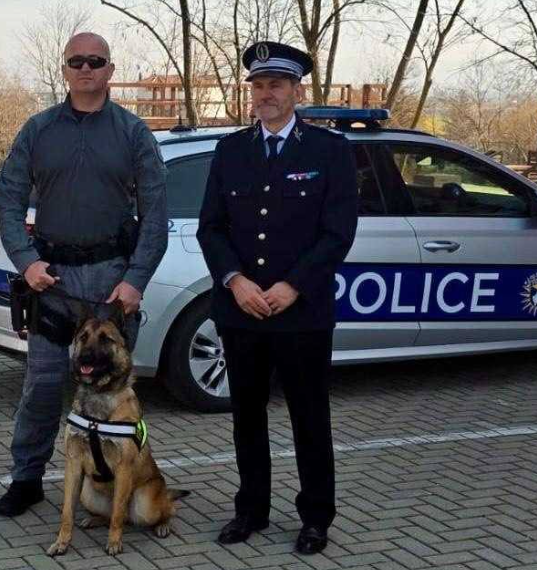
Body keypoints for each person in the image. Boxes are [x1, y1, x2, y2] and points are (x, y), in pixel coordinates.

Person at [0, 32, 167, 517]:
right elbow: (9, 199)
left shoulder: (134, 133)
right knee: (43, 385)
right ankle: (26, 478)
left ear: (110, 69)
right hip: (53, 283)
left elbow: (156, 215)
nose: (86, 68)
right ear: (65, 69)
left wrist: (136, 279)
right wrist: (26, 261)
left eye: (95, 61)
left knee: (114, 394)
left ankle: (117, 483)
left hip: (113, 282)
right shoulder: (38, 130)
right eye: (77, 61)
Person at [196, 41, 358, 552]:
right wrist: (235, 281)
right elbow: (211, 228)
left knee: (309, 418)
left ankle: (316, 518)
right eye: (259, 85)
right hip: (241, 311)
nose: (266, 93)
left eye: (277, 85)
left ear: (297, 92)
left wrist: (294, 285)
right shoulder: (231, 150)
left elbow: (338, 232)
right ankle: (251, 510)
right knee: (247, 417)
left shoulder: (329, 151)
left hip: (302, 313)